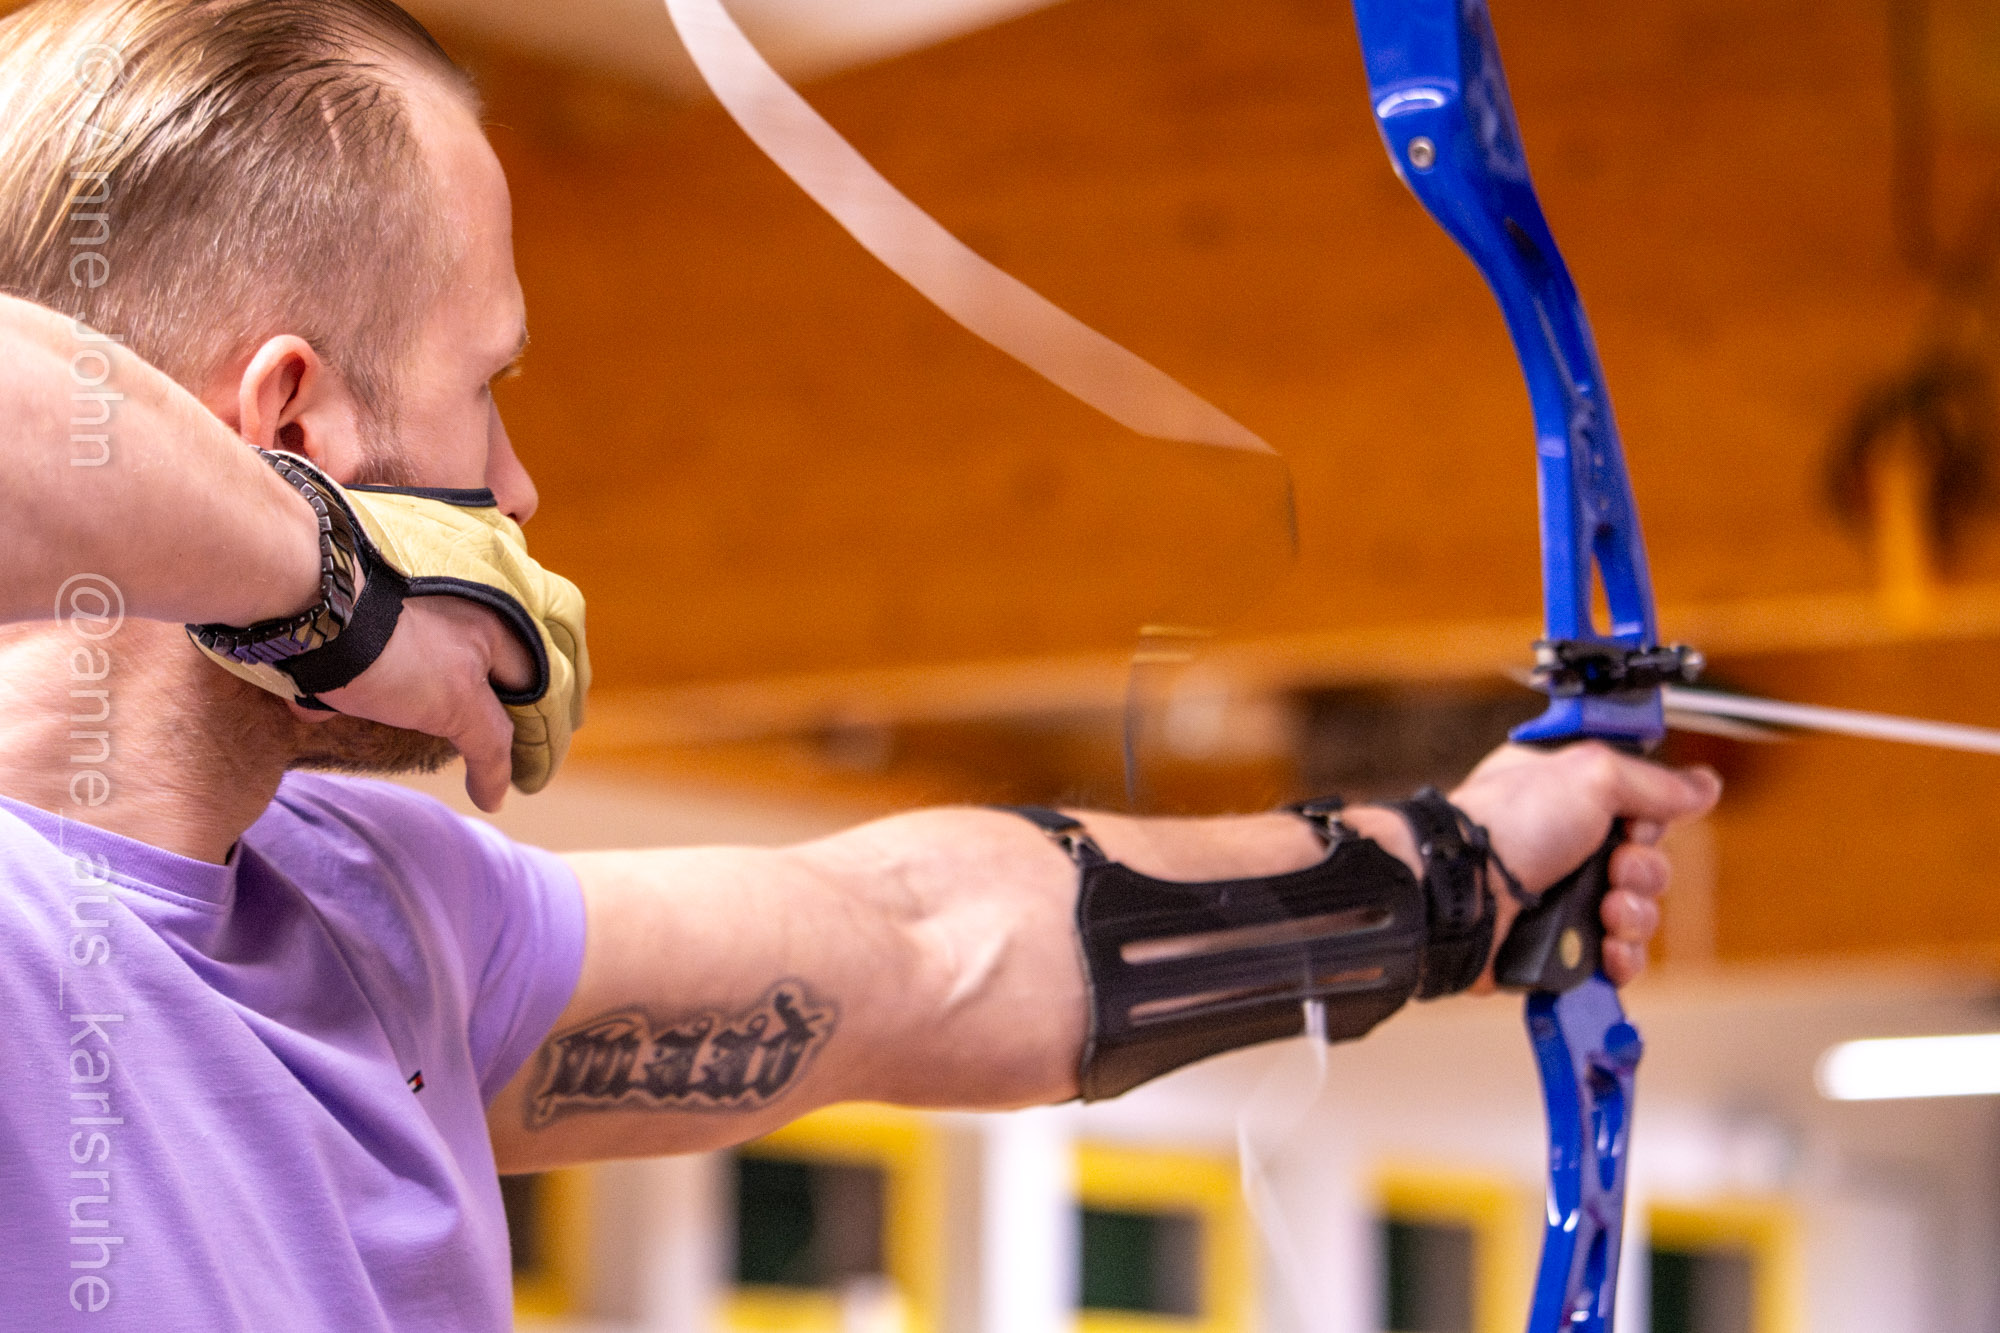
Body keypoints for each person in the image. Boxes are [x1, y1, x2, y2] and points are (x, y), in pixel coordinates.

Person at [0, 0, 1721, 1327]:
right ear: (293, 424)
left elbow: (922, 944)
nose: (517, 491)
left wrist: (1460, 873)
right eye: (489, 388)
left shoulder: (388, 923)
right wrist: (327, 572)